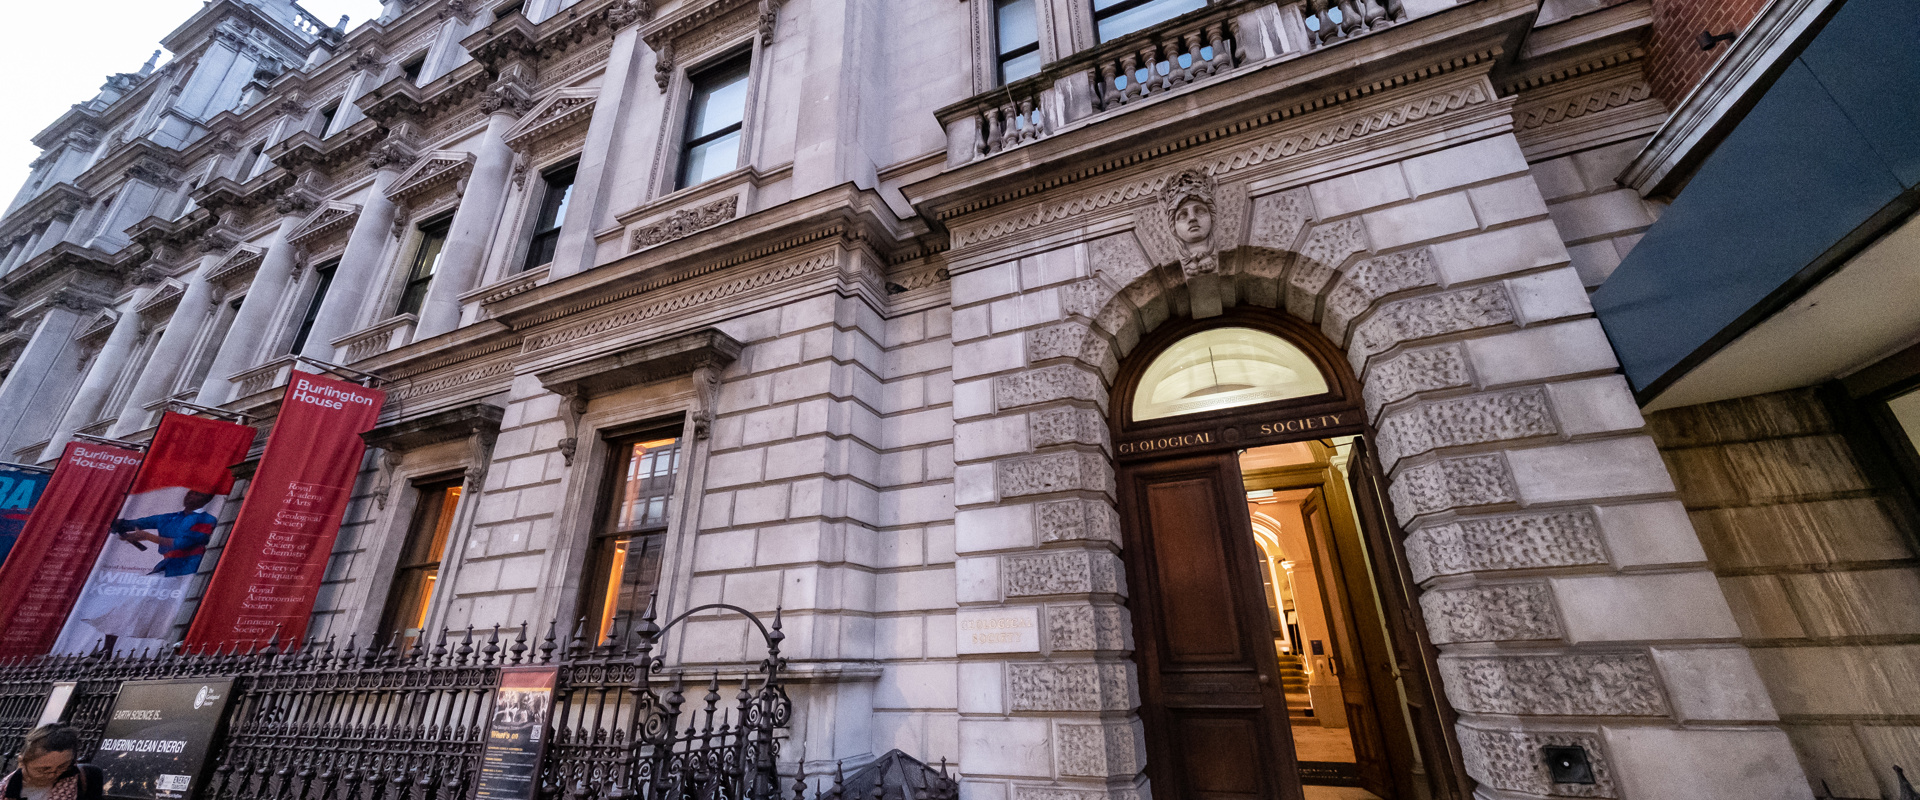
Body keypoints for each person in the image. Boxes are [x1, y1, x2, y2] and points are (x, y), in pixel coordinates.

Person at [111, 490, 218, 577]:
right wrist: (117, 523)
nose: (191, 496)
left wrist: (147, 536)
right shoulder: (169, 517)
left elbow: (182, 543)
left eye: (198, 494)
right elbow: (138, 523)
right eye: (190, 493)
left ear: (208, 499)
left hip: (190, 568)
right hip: (168, 565)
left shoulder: (207, 520)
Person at [2, 724, 103, 800]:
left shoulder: (86, 776)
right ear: (22, 762)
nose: (52, 775)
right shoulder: (6, 789)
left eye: (62, 766)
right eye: (43, 769)